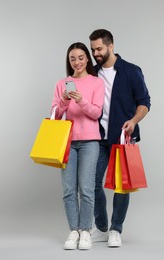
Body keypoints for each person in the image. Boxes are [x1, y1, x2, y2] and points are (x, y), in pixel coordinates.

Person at [89, 29, 151, 247]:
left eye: (99, 49)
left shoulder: (131, 71)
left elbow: (144, 102)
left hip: (123, 136)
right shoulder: (92, 73)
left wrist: (134, 121)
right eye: (93, 49)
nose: (95, 53)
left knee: (121, 185)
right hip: (97, 137)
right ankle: (102, 227)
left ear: (111, 46)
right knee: (92, 182)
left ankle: (116, 229)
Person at [51, 42, 105, 250]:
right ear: (69, 61)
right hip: (67, 141)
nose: (77, 62)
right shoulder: (62, 83)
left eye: (81, 57)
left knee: (87, 189)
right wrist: (64, 101)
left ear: (87, 59)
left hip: (90, 141)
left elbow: (96, 113)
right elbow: (55, 115)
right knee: (68, 189)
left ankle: (85, 231)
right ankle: (73, 230)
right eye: (73, 58)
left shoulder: (96, 83)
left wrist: (81, 100)